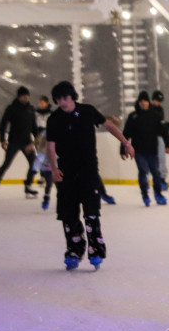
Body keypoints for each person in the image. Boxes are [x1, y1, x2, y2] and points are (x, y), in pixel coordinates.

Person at [46, 80, 134, 270]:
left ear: (72, 96)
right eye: (59, 99)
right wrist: (54, 168)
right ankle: (74, 251)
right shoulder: (54, 119)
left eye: (65, 98)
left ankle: (96, 250)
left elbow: (109, 126)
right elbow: (50, 146)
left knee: (91, 213)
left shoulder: (87, 111)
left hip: (88, 171)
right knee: (68, 215)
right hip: (66, 173)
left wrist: (126, 143)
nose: (62, 102)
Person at [123, 91, 169, 206]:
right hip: (138, 151)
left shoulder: (155, 115)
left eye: (145, 101)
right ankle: (145, 194)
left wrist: (168, 145)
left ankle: (158, 194)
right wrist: (123, 149)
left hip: (152, 150)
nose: (143, 103)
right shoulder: (133, 117)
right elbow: (126, 134)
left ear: (148, 102)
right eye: (141, 101)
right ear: (139, 102)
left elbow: (164, 131)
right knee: (143, 172)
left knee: (156, 173)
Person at [0, 85, 39, 199]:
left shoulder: (30, 109)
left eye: (27, 96)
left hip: (27, 142)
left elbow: (34, 127)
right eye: (24, 96)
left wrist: (36, 142)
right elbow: (3, 124)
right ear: (19, 97)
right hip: (14, 141)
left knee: (34, 164)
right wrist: (2, 140)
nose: (26, 98)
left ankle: (28, 187)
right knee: (6, 164)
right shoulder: (12, 108)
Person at [151, 90, 169, 191]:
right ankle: (151, 179)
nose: (159, 103)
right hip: (148, 138)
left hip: (159, 137)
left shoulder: (160, 109)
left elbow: (162, 126)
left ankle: (162, 179)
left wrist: (168, 144)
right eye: (157, 100)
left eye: (160, 101)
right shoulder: (147, 109)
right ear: (153, 100)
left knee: (161, 159)